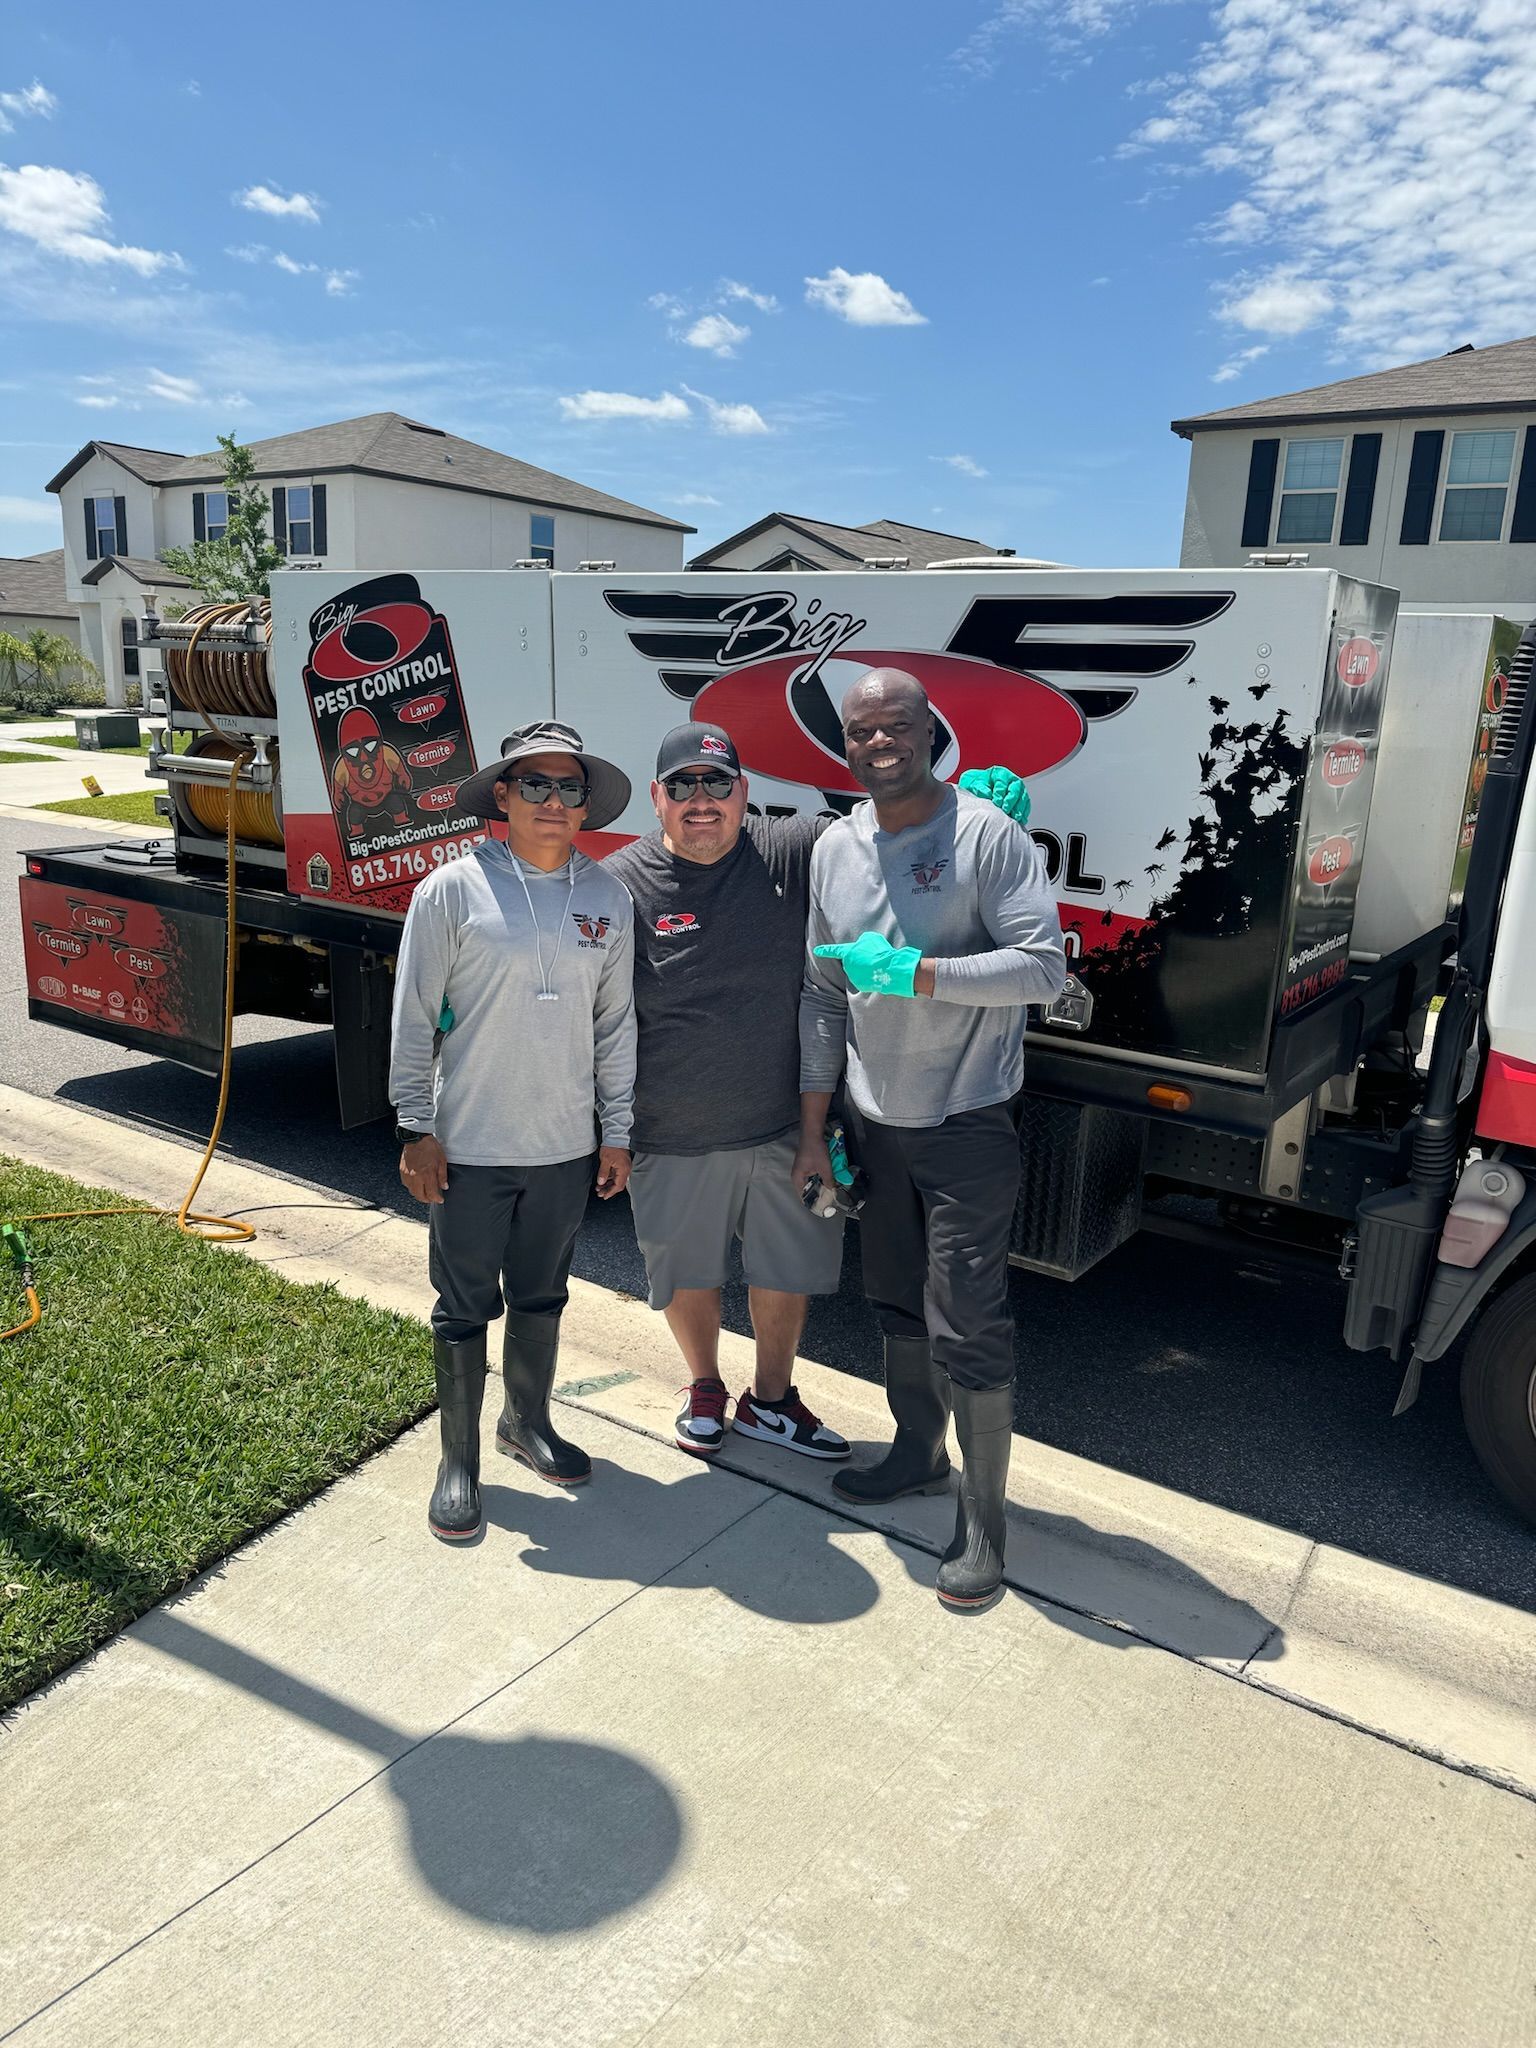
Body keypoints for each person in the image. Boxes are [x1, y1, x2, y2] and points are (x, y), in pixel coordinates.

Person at [603, 720, 1033, 1464]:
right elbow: (597, 1013)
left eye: (717, 785)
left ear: (745, 794)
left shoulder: (792, 846)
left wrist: (961, 805)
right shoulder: (620, 884)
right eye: (682, 787)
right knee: (688, 1271)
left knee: (786, 1270)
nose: (700, 801)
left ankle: (771, 1400)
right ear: (657, 798)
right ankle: (703, 1384)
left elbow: (887, 822)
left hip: (784, 1123)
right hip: (670, 1125)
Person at [796, 669, 1067, 1611]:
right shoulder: (835, 849)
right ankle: (916, 1453)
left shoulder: (987, 835)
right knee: (895, 1301)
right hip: (876, 1119)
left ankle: (984, 1524)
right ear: (845, 741)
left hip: (966, 1115)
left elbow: (1042, 967)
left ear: (927, 731)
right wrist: (817, 1118)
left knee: (969, 1317)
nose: (880, 743)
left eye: (897, 726)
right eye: (862, 730)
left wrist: (919, 975)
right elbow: (823, 994)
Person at [390, 720, 637, 1542]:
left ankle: (524, 1423)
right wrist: (416, 1125)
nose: (554, 801)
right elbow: (414, 1016)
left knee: (542, 1295)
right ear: (503, 796)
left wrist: (617, 1130)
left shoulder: (607, 898)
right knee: (463, 1309)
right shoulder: (451, 890)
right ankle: (458, 1459)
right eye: (536, 784)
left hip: (564, 1147)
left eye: (570, 788)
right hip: (469, 1148)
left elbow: (616, 1026)